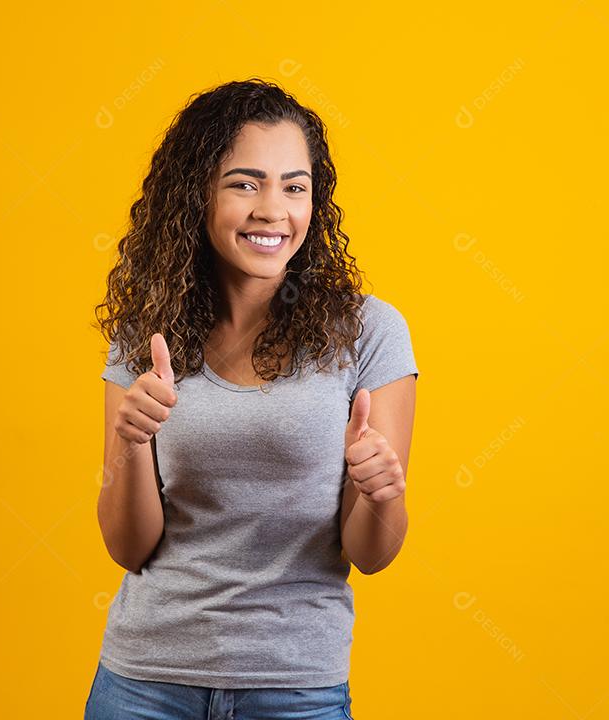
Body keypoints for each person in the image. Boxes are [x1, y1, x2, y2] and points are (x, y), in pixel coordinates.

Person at [88, 78, 419, 720]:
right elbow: (128, 547)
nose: (274, 209)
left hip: (296, 689)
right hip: (143, 684)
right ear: (196, 197)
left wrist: (382, 492)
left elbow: (372, 554)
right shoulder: (146, 331)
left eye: (294, 187)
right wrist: (130, 445)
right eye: (245, 183)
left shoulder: (370, 332)